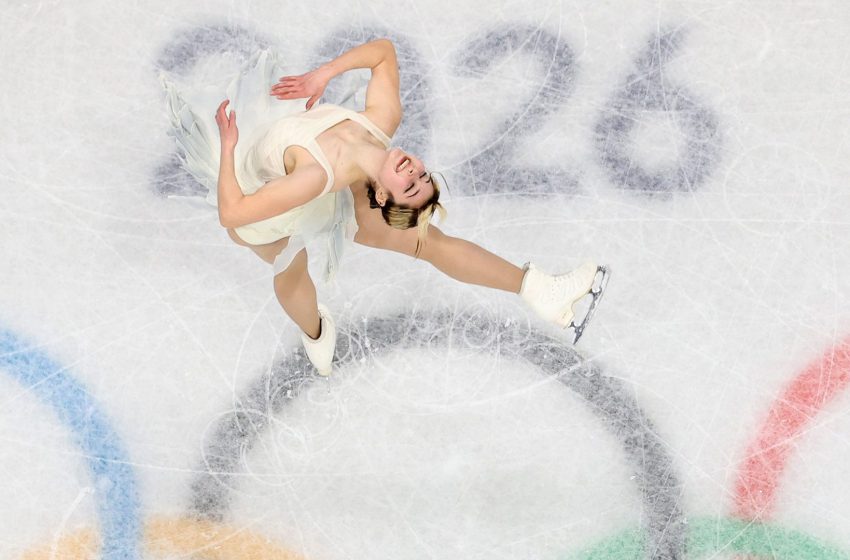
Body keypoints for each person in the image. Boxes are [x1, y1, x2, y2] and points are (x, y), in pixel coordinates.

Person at [163, 39, 608, 377]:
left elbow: (233, 214)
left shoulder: (315, 176)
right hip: (283, 175)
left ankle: (539, 289)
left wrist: (228, 145)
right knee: (300, 270)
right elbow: (383, 53)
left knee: (296, 263)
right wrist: (324, 74)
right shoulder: (381, 121)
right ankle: (317, 328)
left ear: (379, 195)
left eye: (409, 186)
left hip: (260, 200)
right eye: (422, 175)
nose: (414, 171)